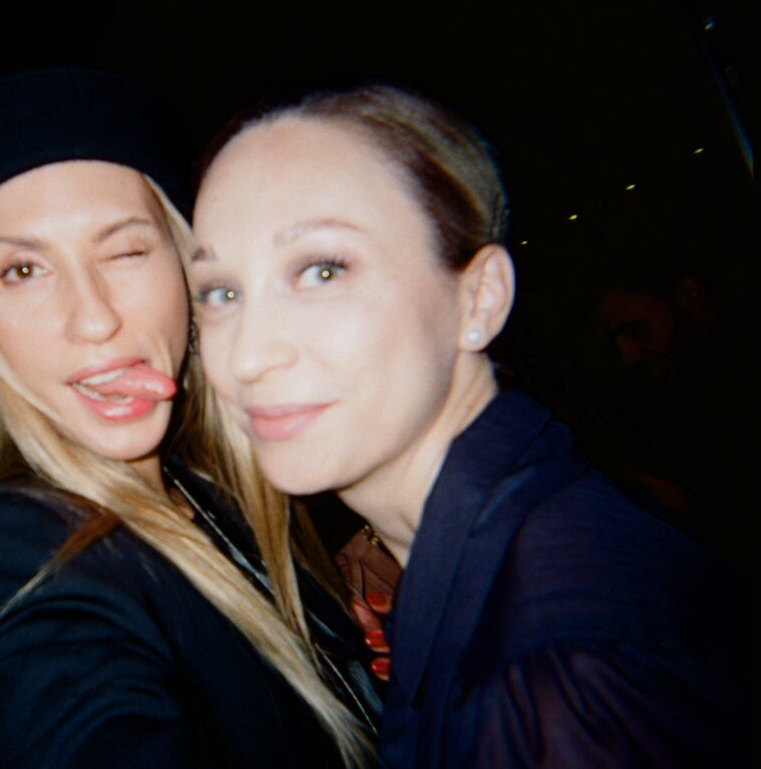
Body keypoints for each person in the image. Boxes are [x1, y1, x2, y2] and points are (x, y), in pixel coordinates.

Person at [190, 81, 750, 768]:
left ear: (479, 299)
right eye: (220, 292)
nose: (247, 356)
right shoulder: (497, 559)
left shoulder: (554, 676)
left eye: (323, 270)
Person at [0, 68, 379, 768]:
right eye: (23, 271)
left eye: (126, 251)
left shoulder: (212, 497)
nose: (94, 319)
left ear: (186, 273)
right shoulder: (5, 552)